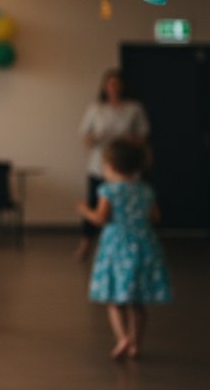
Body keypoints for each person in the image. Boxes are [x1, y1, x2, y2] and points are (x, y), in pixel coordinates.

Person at [77, 138, 172, 360]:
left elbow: (101, 218)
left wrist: (84, 210)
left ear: (110, 166)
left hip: (116, 248)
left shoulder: (108, 191)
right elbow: (155, 216)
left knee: (115, 300)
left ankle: (122, 338)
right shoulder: (145, 190)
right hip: (143, 245)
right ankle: (136, 343)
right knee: (137, 301)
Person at [77, 69, 150, 262]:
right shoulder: (96, 108)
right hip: (99, 164)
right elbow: (84, 137)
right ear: (105, 87)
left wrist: (128, 140)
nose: (114, 88)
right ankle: (86, 245)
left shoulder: (134, 108)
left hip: (126, 165)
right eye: (111, 84)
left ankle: (131, 240)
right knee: (96, 201)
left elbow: (143, 136)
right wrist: (96, 137)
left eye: (117, 84)